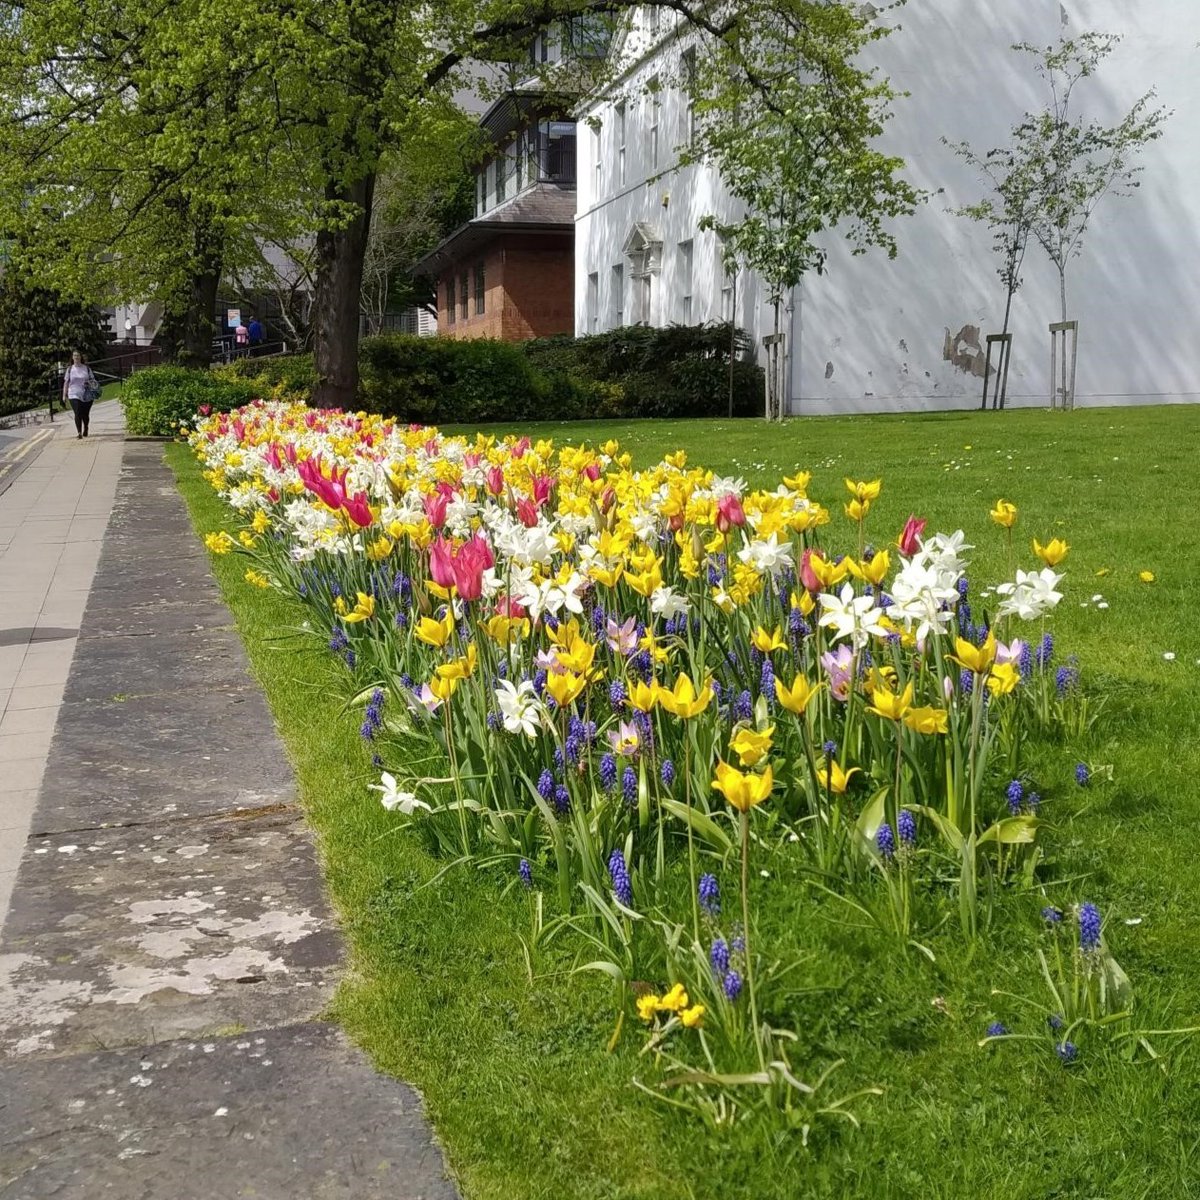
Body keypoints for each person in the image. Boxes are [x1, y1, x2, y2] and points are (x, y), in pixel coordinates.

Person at [62, 350, 98, 439]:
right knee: (77, 412)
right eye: (74, 356)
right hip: (73, 393)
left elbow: (93, 380)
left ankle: (86, 427)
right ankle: (79, 432)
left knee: (85, 414)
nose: (76, 357)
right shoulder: (70, 369)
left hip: (86, 394)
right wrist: (64, 395)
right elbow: (66, 382)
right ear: (72, 357)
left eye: (78, 355)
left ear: (81, 357)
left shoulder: (86, 368)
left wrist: (88, 383)